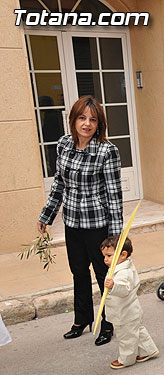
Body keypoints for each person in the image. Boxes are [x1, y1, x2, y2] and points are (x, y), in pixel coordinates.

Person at [37, 95, 123, 346]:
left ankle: (108, 322)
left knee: (102, 274)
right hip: (72, 222)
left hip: (98, 225)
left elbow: (114, 196)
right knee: (78, 273)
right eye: (82, 118)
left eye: (93, 120)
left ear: (99, 124)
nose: (87, 124)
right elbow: (59, 185)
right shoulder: (64, 144)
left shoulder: (107, 151)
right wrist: (47, 215)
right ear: (73, 119)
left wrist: (115, 238)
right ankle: (82, 318)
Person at [102, 236, 159, 369]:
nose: (105, 259)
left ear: (123, 255)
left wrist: (113, 286)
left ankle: (126, 359)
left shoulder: (124, 272)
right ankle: (148, 350)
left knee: (126, 337)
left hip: (125, 313)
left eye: (109, 255)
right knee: (137, 331)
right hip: (130, 311)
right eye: (104, 256)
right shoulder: (121, 266)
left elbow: (125, 289)